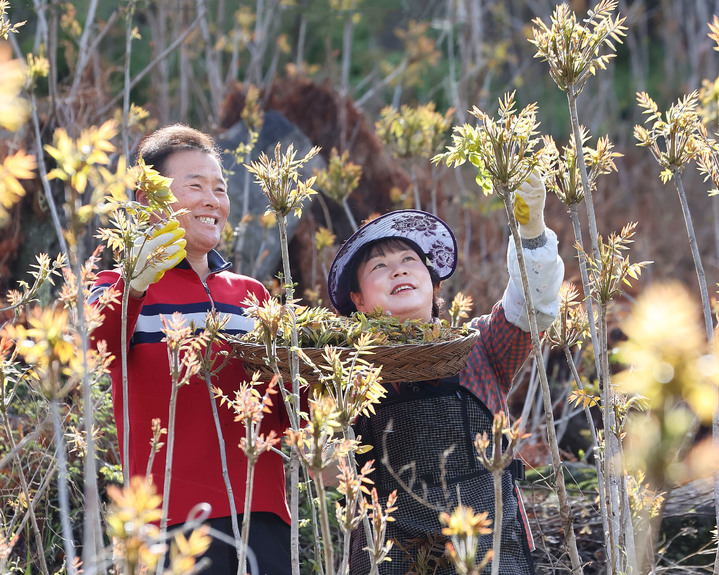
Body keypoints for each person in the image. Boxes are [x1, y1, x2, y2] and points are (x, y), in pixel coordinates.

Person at [326, 173, 563, 574]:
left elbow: (532, 305)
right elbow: (329, 468)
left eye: (408, 261)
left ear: (433, 284)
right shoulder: (347, 368)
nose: (398, 271)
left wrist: (532, 232)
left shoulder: (479, 348)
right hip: (391, 556)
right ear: (358, 300)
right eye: (379, 266)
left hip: (491, 552)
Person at [90, 124, 291, 574]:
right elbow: (91, 346)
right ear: (150, 199)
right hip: (168, 519)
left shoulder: (253, 295)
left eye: (219, 189)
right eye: (195, 186)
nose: (212, 200)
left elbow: (287, 405)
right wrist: (135, 282)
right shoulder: (117, 288)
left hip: (261, 515)